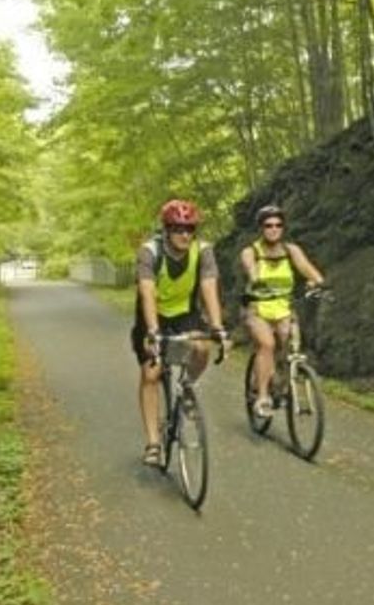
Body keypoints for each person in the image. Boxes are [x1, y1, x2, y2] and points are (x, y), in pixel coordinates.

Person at [132, 199, 227, 466]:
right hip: (153, 315)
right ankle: (153, 442)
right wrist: (152, 332)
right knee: (151, 372)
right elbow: (147, 292)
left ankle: (187, 388)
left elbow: (209, 287)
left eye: (190, 229)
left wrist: (217, 327)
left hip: (185, 312)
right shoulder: (149, 252)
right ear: (166, 230)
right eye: (177, 229)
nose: (184, 234)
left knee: (202, 348)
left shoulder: (203, 250)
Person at [239, 205, 326, 418]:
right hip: (257, 308)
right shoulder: (251, 252)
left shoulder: (291, 251)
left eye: (278, 225)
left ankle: (279, 381)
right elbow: (250, 269)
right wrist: (256, 280)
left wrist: (318, 284)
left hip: (283, 308)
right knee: (267, 344)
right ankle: (262, 397)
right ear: (261, 228)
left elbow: (307, 269)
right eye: (268, 225)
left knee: (289, 343)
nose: (274, 229)